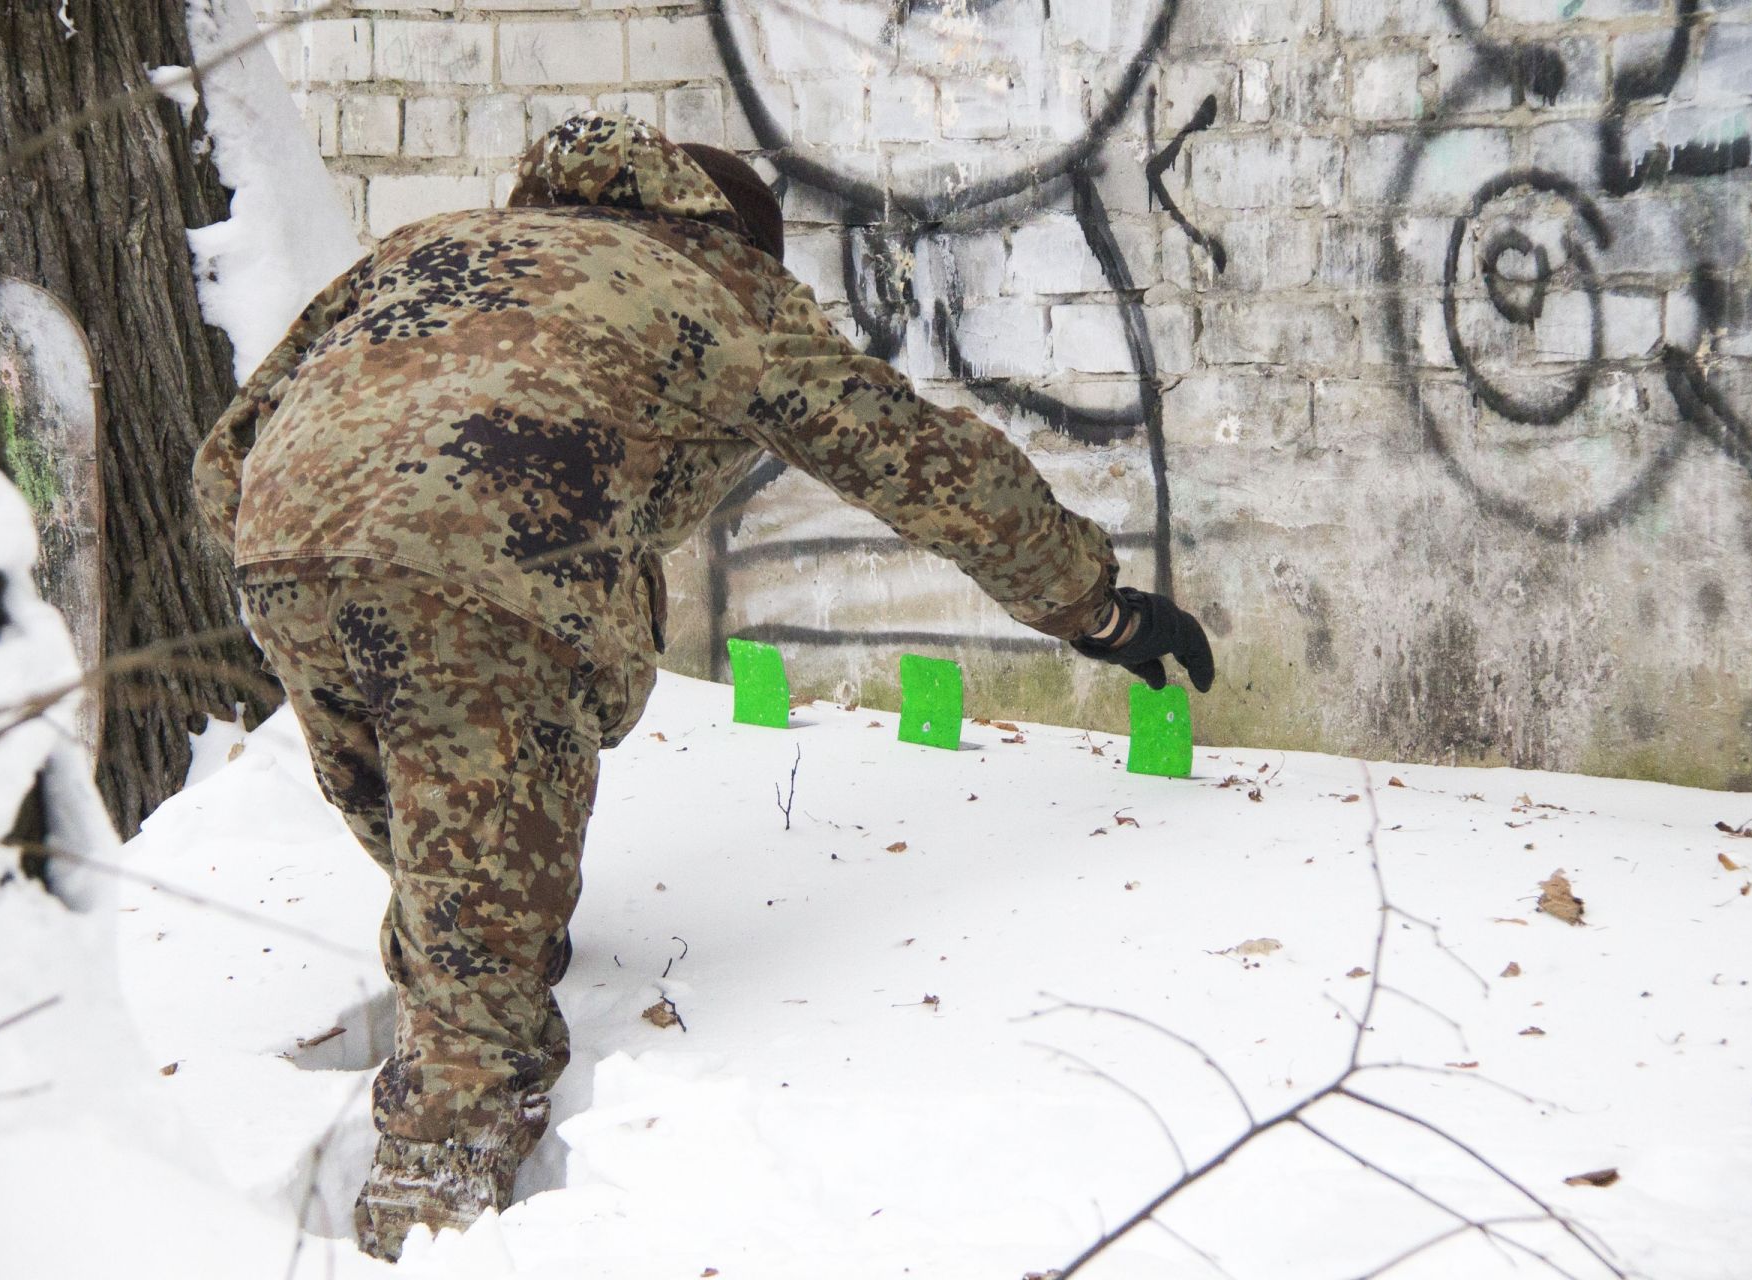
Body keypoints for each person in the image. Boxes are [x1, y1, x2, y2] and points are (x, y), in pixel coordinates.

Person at [193, 112, 1214, 1260]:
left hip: (281, 552)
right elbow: (919, 460)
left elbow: (230, 442)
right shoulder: (721, 285)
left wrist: (296, 561)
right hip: (490, 581)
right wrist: (1094, 606)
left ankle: (482, 954)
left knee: (457, 886)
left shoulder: (436, 243)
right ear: (738, 236)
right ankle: (422, 1220)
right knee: (478, 1035)